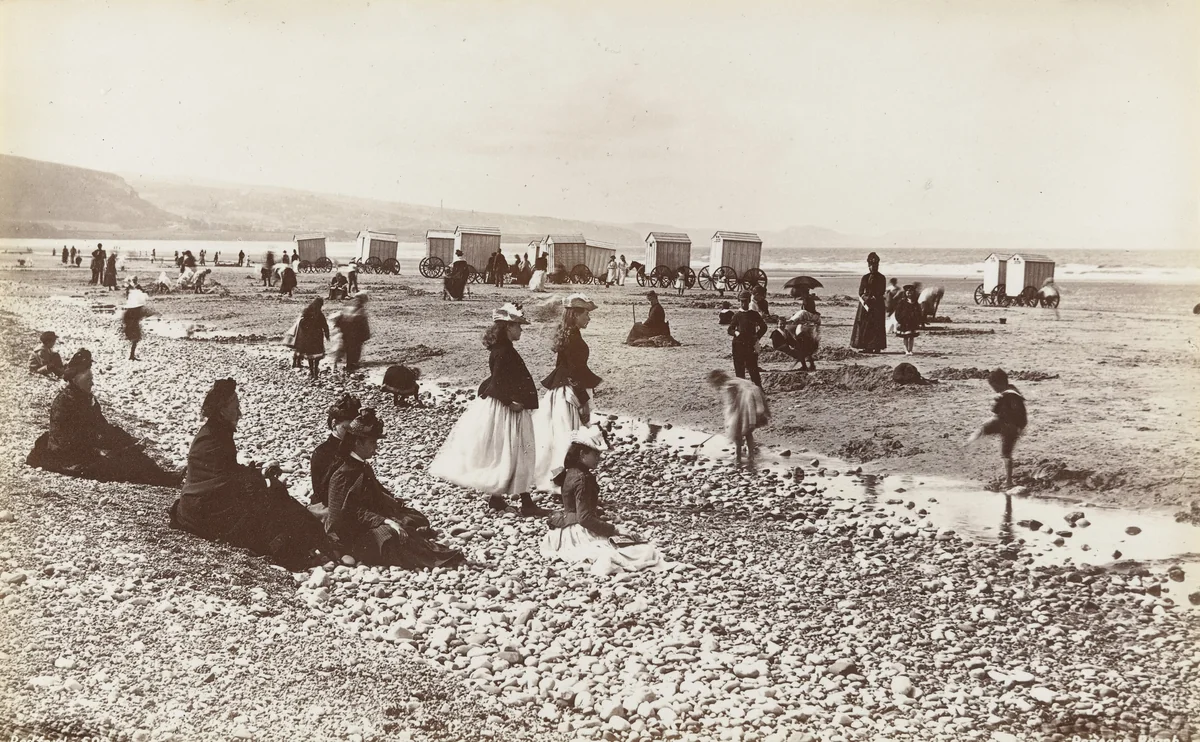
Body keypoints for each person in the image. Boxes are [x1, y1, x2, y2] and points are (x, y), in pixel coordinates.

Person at [169, 379, 334, 570]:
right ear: (222, 410)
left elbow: (224, 471)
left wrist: (257, 473)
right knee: (270, 502)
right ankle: (302, 551)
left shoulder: (215, 432)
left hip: (200, 504)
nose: (240, 413)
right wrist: (260, 480)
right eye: (236, 407)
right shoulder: (213, 436)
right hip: (204, 511)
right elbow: (223, 479)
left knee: (273, 494)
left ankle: (313, 541)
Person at [430, 304, 548, 515]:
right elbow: (498, 382)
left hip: (505, 407)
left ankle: (499, 498)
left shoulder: (502, 349)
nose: (521, 330)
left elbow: (496, 379)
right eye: (518, 326)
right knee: (517, 451)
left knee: (511, 451)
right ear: (508, 327)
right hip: (508, 410)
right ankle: (526, 502)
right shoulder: (504, 351)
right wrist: (511, 402)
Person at [324, 410, 464, 569]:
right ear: (358, 443)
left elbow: (376, 494)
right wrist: (386, 520)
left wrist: (394, 508)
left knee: (414, 518)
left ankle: (423, 548)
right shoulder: (343, 474)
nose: (376, 448)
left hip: (367, 523)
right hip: (348, 536)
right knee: (390, 534)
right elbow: (346, 514)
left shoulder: (360, 466)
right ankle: (431, 558)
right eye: (372, 443)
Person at [27, 350, 181, 487]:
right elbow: (66, 439)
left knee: (131, 454)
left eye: (91, 379)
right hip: (69, 458)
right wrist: (98, 449)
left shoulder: (86, 398)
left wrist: (129, 440)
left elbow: (103, 427)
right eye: (88, 380)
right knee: (120, 464)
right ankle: (165, 479)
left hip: (85, 450)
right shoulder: (65, 402)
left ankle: (165, 476)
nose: (92, 383)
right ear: (74, 380)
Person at [540, 426, 670, 575]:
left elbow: (577, 507)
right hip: (578, 532)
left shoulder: (571, 472)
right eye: (596, 454)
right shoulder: (582, 479)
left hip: (564, 530)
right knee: (645, 552)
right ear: (582, 454)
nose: (599, 459)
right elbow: (584, 519)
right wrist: (613, 529)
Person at [534, 294, 602, 492]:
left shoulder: (569, 333)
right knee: (570, 436)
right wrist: (583, 402)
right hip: (570, 392)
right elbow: (574, 373)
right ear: (575, 315)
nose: (589, 318)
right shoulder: (573, 337)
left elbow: (563, 368)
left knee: (562, 435)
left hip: (562, 389)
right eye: (586, 315)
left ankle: (561, 480)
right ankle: (564, 484)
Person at [966, 368, 1028, 489]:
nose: (994, 389)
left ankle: (1009, 481)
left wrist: (1019, 427)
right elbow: (1020, 413)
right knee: (1005, 452)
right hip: (1007, 423)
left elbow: (998, 410)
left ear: (999, 384)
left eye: (994, 387)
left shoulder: (1007, 395)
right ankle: (971, 441)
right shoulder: (1013, 391)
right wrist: (1021, 426)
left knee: (1005, 453)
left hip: (1008, 425)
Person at [708, 369, 770, 471]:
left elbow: (731, 404)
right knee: (748, 431)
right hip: (754, 399)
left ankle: (738, 458)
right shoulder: (735, 380)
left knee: (737, 434)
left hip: (747, 403)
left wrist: (730, 420)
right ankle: (751, 456)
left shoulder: (728, 386)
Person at [309, 395, 361, 507]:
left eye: (353, 429)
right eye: (346, 428)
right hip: (331, 507)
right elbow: (323, 492)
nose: (351, 433)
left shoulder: (353, 447)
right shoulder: (322, 453)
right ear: (334, 424)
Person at [728, 290, 766, 388]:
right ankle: (741, 390)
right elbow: (730, 329)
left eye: (745, 301)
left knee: (753, 369)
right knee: (739, 370)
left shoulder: (754, 314)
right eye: (741, 301)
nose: (743, 303)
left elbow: (764, 327)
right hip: (738, 345)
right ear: (739, 301)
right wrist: (736, 333)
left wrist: (757, 337)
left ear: (749, 301)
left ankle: (759, 389)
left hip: (750, 345)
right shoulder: (736, 316)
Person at [850, 252, 887, 353]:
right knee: (866, 325)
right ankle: (867, 346)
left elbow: (882, 290)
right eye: (872, 265)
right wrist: (866, 298)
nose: (874, 267)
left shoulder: (882, 277)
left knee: (877, 325)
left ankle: (877, 347)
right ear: (868, 266)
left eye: (876, 265)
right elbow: (861, 291)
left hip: (877, 304)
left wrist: (875, 297)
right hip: (866, 305)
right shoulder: (865, 278)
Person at [780, 295, 821, 371]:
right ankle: (812, 365)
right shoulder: (817, 315)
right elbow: (818, 324)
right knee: (808, 350)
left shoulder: (803, 312)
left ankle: (804, 366)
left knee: (800, 349)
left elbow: (792, 321)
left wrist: (783, 321)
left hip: (801, 333)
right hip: (812, 334)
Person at [292, 298, 329, 379]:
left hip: (308, 338)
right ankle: (315, 371)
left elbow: (301, 324)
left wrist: (306, 331)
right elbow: (325, 325)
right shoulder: (320, 314)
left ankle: (312, 371)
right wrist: (327, 335)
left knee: (310, 355)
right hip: (318, 337)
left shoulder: (307, 312)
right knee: (317, 356)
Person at [333, 294, 371, 373]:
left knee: (346, 347)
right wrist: (365, 334)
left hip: (346, 330)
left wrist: (339, 328)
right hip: (354, 332)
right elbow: (362, 322)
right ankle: (351, 365)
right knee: (355, 349)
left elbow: (341, 316)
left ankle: (342, 364)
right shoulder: (360, 308)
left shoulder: (349, 304)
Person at [121, 289, 153, 361]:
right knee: (135, 340)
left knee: (135, 340)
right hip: (133, 327)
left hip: (130, 327)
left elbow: (125, 319)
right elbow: (143, 314)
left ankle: (131, 355)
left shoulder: (129, 312)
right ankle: (131, 355)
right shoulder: (136, 311)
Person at [893, 284, 921, 356]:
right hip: (904, 322)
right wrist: (900, 320)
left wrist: (918, 319)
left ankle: (910, 350)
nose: (909, 293)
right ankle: (906, 350)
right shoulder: (902, 302)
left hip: (912, 322)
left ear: (913, 293)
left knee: (911, 337)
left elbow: (919, 311)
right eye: (908, 292)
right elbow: (897, 312)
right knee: (905, 337)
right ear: (905, 293)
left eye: (911, 292)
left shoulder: (915, 302)